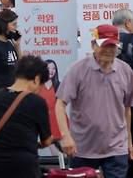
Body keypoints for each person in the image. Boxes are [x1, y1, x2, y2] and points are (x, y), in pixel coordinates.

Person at [55, 25, 133, 177]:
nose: (109, 50)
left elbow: (127, 109)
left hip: (117, 148)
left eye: (112, 46)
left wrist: (129, 141)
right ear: (93, 45)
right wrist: (66, 137)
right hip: (82, 148)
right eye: (104, 45)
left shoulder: (126, 71)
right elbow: (60, 104)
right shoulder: (78, 70)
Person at [0, 56, 53, 178]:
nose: (39, 90)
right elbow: (47, 141)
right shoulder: (37, 102)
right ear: (36, 79)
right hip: (23, 168)